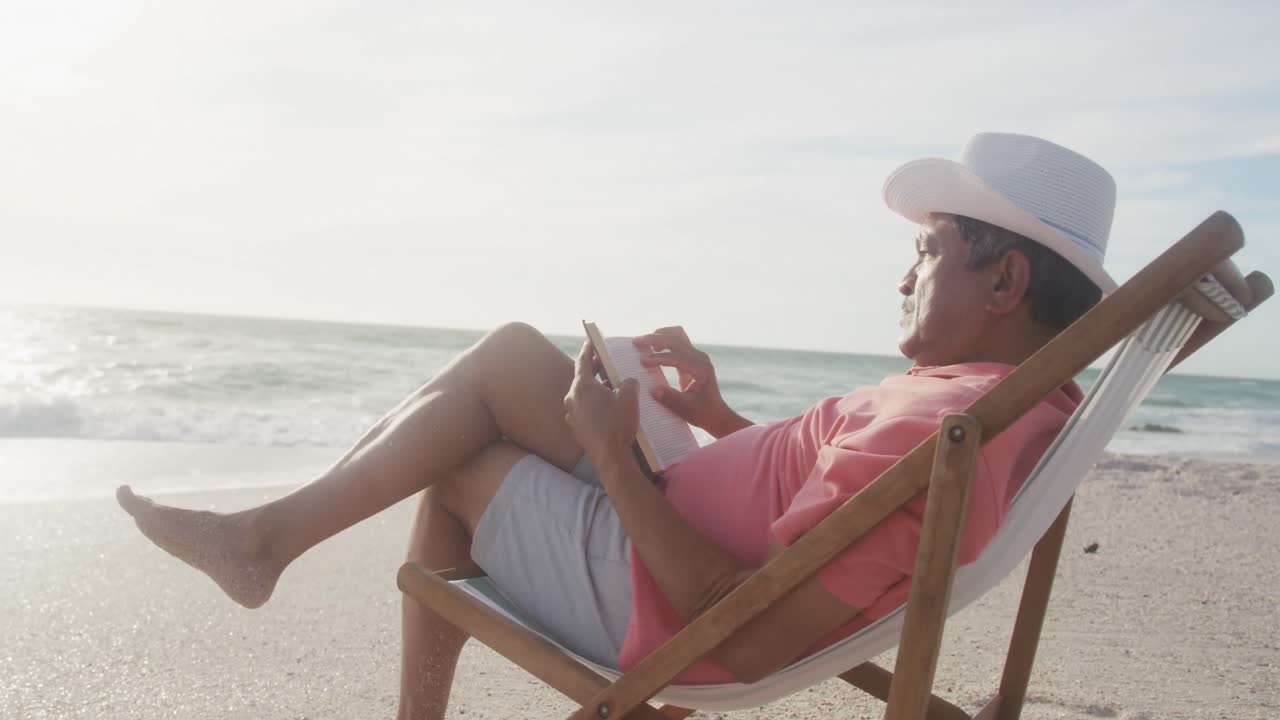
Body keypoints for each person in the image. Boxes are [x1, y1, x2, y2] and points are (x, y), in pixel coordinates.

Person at [116, 132, 1116, 720]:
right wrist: (708, 417)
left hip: (667, 597)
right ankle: (267, 541)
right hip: (676, 525)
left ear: (1006, 278)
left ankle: (261, 545)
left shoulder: (943, 422)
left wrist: (606, 445)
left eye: (929, 249)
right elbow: (826, 505)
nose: (904, 273)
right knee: (511, 356)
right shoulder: (1011, 406)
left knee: (462, 460)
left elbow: (750, 623)